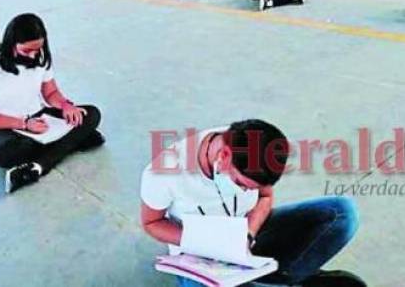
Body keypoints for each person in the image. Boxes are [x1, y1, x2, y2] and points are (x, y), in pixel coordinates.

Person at [141, 119, 365, 287]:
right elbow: (152, 223)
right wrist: (209, 241)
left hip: (248, 237)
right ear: (225, 155)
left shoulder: (254, 149)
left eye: (251, 187)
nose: (247, 190)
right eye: (240, 183)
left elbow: (265, 197)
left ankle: (281, 278)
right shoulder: (164, 172)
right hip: (198, 254)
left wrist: (248, 233)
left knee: (342, 213)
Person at [0, 13, 104, 194]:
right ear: (11, 44)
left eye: (37, 49)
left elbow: (50, 92)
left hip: (40, 118)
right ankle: (71, 142)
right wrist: (24, 124)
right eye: (27, 51)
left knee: (92, 114)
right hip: (6, 126)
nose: (33, 56)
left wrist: (65, 105)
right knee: (3, 155)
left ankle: (37, 166)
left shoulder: (41, 57)